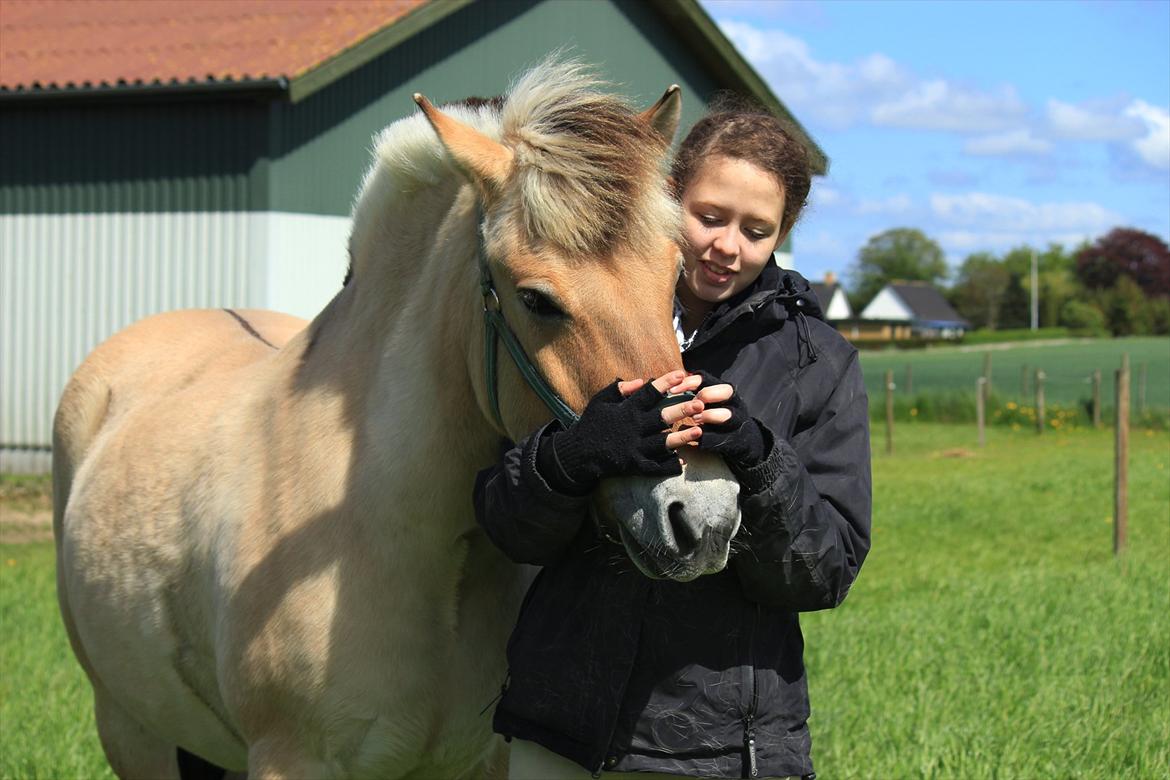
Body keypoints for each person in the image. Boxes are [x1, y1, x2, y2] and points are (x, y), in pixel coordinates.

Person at [474, 102, 872, 780]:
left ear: (783, 234)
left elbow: (824, 570)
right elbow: (507, 525)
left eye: (756, 230)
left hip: (719, 749)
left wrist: (759, 456)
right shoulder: (590, 313)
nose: (726, 245)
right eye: (709, 216)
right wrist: (576, 456)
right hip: (559, 727)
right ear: (666, 197)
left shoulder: (817, 362)